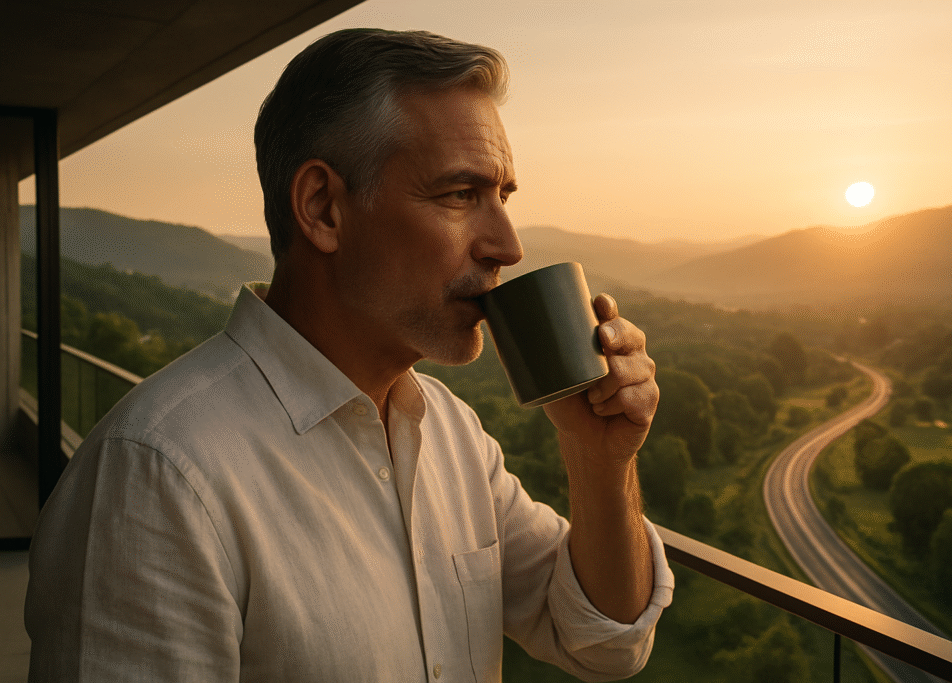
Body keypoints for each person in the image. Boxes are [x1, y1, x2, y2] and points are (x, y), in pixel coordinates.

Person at [25, 28, 673, 681]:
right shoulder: (157, 477)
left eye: (502, 196)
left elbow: (602, 642)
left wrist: (600, 459)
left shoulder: (452, 436)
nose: (507, 246)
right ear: (322, 208)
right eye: (459, 195)